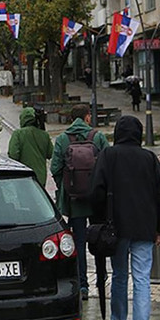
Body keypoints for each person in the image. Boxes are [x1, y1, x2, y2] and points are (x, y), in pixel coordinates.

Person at [90, 115, 160, 320]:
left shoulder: (109, 156)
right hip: (144, 227)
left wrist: (98, 221)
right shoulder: (149, 158)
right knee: (143, 279)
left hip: (116, 227)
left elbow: (97, 190)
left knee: (120, 275)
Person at [50, 104, 109, 301]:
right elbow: (107, 165)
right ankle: (102, 279)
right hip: (96, 200)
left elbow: (56, 168)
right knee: (100, 239)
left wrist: (67, 188)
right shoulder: (98, 137)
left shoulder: (63, 139)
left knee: (79, 243)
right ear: (86, 118)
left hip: (74, 201)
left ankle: (82, 285)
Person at [8, 107, 53, 186]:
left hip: (22, 176)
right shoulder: (44, 134)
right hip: (40, 176)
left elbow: (13, 154)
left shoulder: (18, 134)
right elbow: (50, 153)